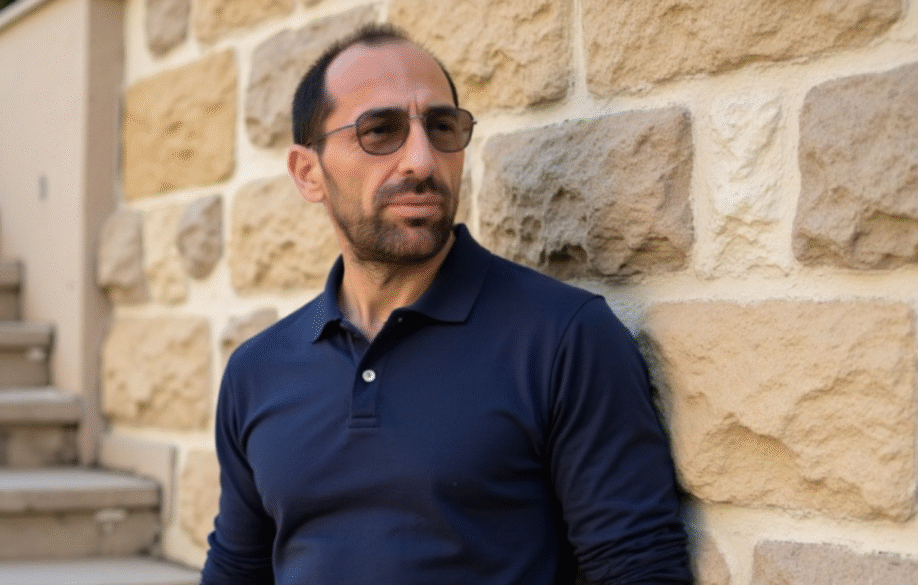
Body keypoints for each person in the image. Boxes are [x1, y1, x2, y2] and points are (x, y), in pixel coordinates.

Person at [200, 24, 691, 585]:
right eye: (380, 131)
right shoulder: (257, 370)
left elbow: (639, 572)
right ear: (309, 173)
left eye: (441, 127)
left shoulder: (564, 338)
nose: (421, 160)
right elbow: (236, 571)